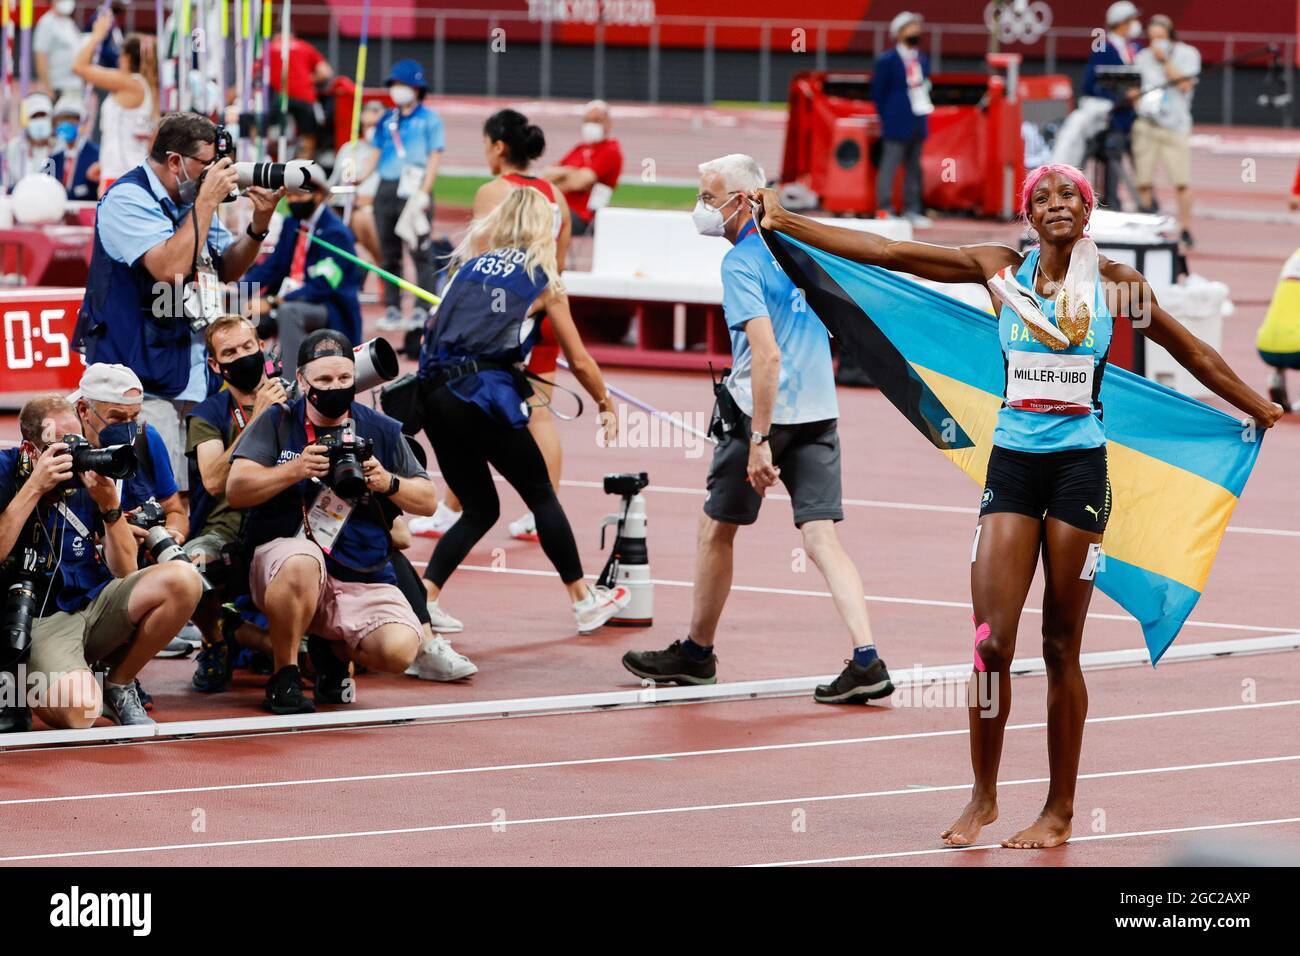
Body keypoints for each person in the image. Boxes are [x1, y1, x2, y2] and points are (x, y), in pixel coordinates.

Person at [751, 163, 1282, 848]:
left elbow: (1192, 349)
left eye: (1070, 196)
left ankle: (1059, 811)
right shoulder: (997, 270)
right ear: (1028, 217)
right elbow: (889, 254)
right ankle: (983, 796)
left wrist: (1258, 405)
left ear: (1088, 214)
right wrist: (786, 222)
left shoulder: (1116, 285)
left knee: (1061, 645)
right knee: (990, 643)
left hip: (1080, 475)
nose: (1056, 204)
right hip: (1013, 468)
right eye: (1042, 197)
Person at [622, 154, 893, 703]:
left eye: (708, 196)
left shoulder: (742, 261)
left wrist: (760, 441)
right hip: (820, 410)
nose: (701, 208)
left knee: (717, 528)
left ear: (744, 200)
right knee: (820, 537)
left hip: (758, 415)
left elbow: (766, 357)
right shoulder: (801, 248)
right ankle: (867, 657)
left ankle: (697, 654)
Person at [416, 187, 629, 635]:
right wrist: (605, 404)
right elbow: (581, 358)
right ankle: (583, 600)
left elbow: (432, 334)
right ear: (543, 229)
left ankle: (424, 599)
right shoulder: (543, 279)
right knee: (540, 494)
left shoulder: (465, 268)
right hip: (482, 394)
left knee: (478, 507)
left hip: (434, 397)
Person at [226, 330, 440, 714]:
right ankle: (285, 675)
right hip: (288, 563)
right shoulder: (279, 421)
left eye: (344, 379)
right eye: (324, 380)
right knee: (302, 560)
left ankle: (330, 649)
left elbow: (427, 501)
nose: (335, 387)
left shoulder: (381, 428)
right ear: (303, 380)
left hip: (360, 570)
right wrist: (294, 470)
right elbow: (236, 489)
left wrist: (387, 481)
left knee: (401, 650)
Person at [73, 111, 284, 498]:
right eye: (210, 166)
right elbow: (170, 269)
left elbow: (226, 268)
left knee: (200, 490)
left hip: (188, 370)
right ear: (175, 162)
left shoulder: (188, 201)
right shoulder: (127, 198)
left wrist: (259, 224)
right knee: (162, 497)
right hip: (139, 380)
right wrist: (204, 202)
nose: (220, 177)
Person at [413, 109, 571, 543]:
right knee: (538, 412)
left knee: (468, 405)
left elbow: (478, 262)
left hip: (493, 323)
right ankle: (544, 511)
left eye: (485, 146)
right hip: (543, 309)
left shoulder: (492, 191)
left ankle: (452, 508)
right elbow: (560, 259)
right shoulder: (554, 193)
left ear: (499, 147)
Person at [0, 395, 203, 730]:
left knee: (184, 579)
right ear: (32, 449)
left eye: (77, 440)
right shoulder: (8, 468)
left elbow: (126, 572)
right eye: (61, 447)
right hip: (42, 621)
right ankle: (43, 680)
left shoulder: (90, 472)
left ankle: (119, 683)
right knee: (81, 712)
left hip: (96, 604)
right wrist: (35, 487)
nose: (73, 454)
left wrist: (110, 508)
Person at [185, 316, 287, 691]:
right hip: (225, 528)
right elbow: (213, 480)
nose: (242, 356)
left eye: (247, 347)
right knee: (190, 567)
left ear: (261, 346)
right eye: (230, 352)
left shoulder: (292, 401)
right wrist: (257, 417)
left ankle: (246, 633)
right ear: (215, 365)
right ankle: (214, 639)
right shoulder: (207, 414)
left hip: (285, 521)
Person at [72, 362, 195, 663]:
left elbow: (175, 509)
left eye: (134, 417)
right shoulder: (60, 447)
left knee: (188, 574)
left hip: (134, 567)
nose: (127, 426)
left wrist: (170, 534)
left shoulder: (144, 437)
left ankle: (123, 675)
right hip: (77, 574)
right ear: (83, 411)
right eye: (116, 417)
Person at [355, 60, 444, 332]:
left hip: (414, 190)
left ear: (416, 88)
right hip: (387, 189)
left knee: (420, 251)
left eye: (402, 85)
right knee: (389, 254)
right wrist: (359, 175)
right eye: (394, 85)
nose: (397, 90)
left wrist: (424, 193)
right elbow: (377, 153)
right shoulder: (387, 119)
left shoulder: (429, 119)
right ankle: (393, 307)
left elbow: (434, 157)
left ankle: (421, 308)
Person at [243, 180, 363, 375]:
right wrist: (239, 289)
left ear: (319, 194)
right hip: (288, 298)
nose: (293, 201)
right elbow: (273, 266)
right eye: (289, 196)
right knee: (243, 313)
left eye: (300, 196)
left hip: (328, 306)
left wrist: (273, 301)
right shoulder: (292, 223)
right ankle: (261, 378)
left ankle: (293, 388)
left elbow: (323, 286)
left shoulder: (336, 233)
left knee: (289, 312)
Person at [1132, 14, 1200, 245]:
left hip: (1175, 126)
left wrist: (1164, 60)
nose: (1156, 44)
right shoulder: (1142, 57)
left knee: (1181, 181)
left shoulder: (1187, 54)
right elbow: (1135, 87)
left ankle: (1186, 228)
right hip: (1147, 124)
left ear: (1171, 36)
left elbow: (1184, 84)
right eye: (1152, 39)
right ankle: (1147, 227)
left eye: (1161, 38)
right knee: (1143, 181)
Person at [73, 11, 158, 195]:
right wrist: (105, 162)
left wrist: (98, 34)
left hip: (122, 175)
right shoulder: (144, 86)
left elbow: (79, 66)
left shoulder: (130, 83)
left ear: (127, 58)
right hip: (126, 171)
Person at [871, 11, 931, 227]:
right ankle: (884, 208)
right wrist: (886, 117)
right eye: (910, 28)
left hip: (918, 120)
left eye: (917, 28)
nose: (915, 32)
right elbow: (878, 91)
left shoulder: (922, 59)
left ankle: (912, 209)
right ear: (898, 33)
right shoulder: (887, 60)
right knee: (890, 165)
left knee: (914, 167)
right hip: (895, 121)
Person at [1082, 1, 1144, 209]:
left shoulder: (1136, 49)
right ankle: (1111, 205)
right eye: (1132, 19)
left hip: (1135, 119)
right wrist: (1120, 96)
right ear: (1122, 22)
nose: (1136, 24)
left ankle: (1145, 204)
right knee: (1113, 164)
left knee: (1142, 166)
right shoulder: (1103, 48)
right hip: (1114, 120)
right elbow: (1090, 85)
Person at [543, 100, 623, 236]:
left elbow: (581, 181)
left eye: (596, 121)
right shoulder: (580, 148)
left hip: (584, 216)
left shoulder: (610, 151)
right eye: (587, 121)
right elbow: (547, 174)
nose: (591, 125)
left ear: (608, 124)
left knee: (534, 219)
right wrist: (572, 171)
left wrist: (559, 180)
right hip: (559, 207)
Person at [329, 98, 386, 262]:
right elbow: (333, 183)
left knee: (363, 219)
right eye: (368, 125)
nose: (371, 130)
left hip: (373, 209)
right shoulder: (349, 149)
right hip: (344, 205)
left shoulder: (390, 153)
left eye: (375, 126)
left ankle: (381, 265)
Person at [264, 31, 334, 160]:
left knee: (266, 131)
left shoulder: (269, 49)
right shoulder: (305, 46)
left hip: (282, 97)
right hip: (305, 98)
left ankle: (271, 162)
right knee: (308, 135)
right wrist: (306, 80)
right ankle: (305, 167)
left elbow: (256, 76)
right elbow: (325, 72)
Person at [4, 93, 67, 188]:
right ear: (26, 121)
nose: (39, 120)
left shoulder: (61, 147)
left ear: (51, 119)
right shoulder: (15, 147)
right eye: (34, 117)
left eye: (43, 115)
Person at [52, 92, 100, 201]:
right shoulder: (54, 159)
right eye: (61, 120)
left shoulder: (96, 156)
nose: (65, 124)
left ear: (83, 122)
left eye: (71, 119)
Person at [33, 0, 83, 99]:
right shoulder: (46, 23)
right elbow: (40, 57)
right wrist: (48, 87)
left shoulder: (69, 23)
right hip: (58, 86)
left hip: (74, 84)